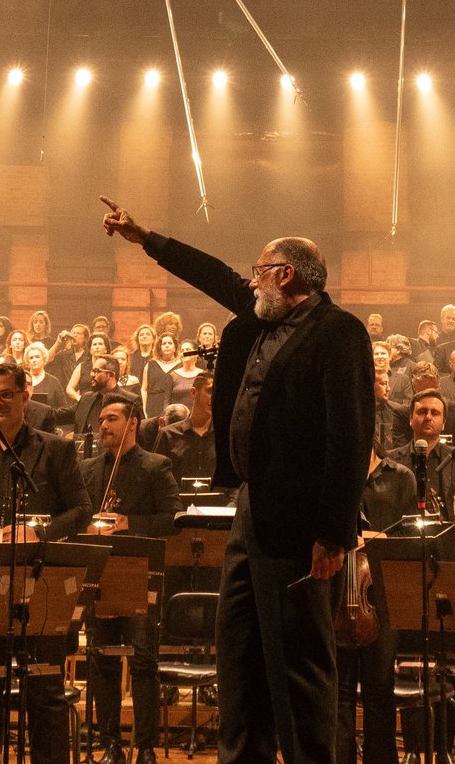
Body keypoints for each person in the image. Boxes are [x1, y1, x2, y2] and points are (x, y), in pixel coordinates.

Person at [102, 198, 373, 764]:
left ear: (285, 274)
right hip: (250, 512)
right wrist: (146, 238)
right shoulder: (257, 320)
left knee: (299, 665)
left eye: (259, 271)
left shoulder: (338, 332)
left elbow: (350, 436)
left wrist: (334, 535)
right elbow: (214, 274)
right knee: (239, 650)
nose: (250, 281)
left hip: (301, 524)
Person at [0, 359, 89, 764]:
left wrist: (37, 533)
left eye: (6, 395)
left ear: (25, 396)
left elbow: (82, 509)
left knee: (46, 694)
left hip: (41, 581)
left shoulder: (56, 447)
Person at [82, 392, 180, 764]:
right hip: (99, 574)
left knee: (143, 661)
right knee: (100, 659)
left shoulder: (155, 465)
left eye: (112, 419)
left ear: (133, 423)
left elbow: (173, 518)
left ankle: (145, 747)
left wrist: (129, 522)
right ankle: (110, 744)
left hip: (139, 573)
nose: (103, 426)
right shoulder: (88, 468)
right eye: (101, 420)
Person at [334, 445, 416, 764]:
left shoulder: (402, 478)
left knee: (380, 689)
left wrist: (376, 539)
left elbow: (411, 537)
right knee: (339, 693)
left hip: (381, 598)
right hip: (340, 595)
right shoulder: (335, 474)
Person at [390, 391, 455, 520]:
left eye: (435, 413)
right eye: (422, 412)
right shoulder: (390, 461)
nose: (428, 417)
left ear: (443, 423)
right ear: (410, 419)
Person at [160, 374, 218, 484]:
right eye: (210, 391)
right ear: (193, 392)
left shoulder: (224, 436)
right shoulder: (167, 435)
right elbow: (157, 478)